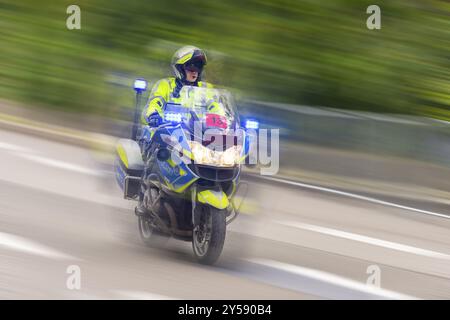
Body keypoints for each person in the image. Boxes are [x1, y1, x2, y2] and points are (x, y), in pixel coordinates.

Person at [141, 45, 222, 127]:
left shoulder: (206, 89)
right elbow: (154, 103)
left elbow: (217, 109)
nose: (195, 72)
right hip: (167, 133)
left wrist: (222, 120)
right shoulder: (166, 84)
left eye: (198, 67)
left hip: (199, 135)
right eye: (191, 67)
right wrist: (153, 115)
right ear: (180, 68)